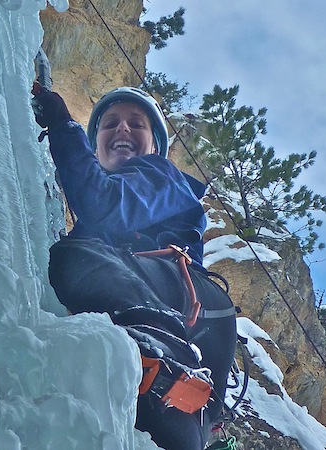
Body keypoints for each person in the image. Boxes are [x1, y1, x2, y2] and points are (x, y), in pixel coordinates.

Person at [33, 86, 237, 450]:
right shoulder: (97, 233)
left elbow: (103, 202)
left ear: (155, 147)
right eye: (109, 124)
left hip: (184, 304)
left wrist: (63, 126)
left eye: (135, 124)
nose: (122, 129)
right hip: (184, 381)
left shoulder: (161, 175)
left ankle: (157, 350)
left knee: (74, 257)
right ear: (95, 149)